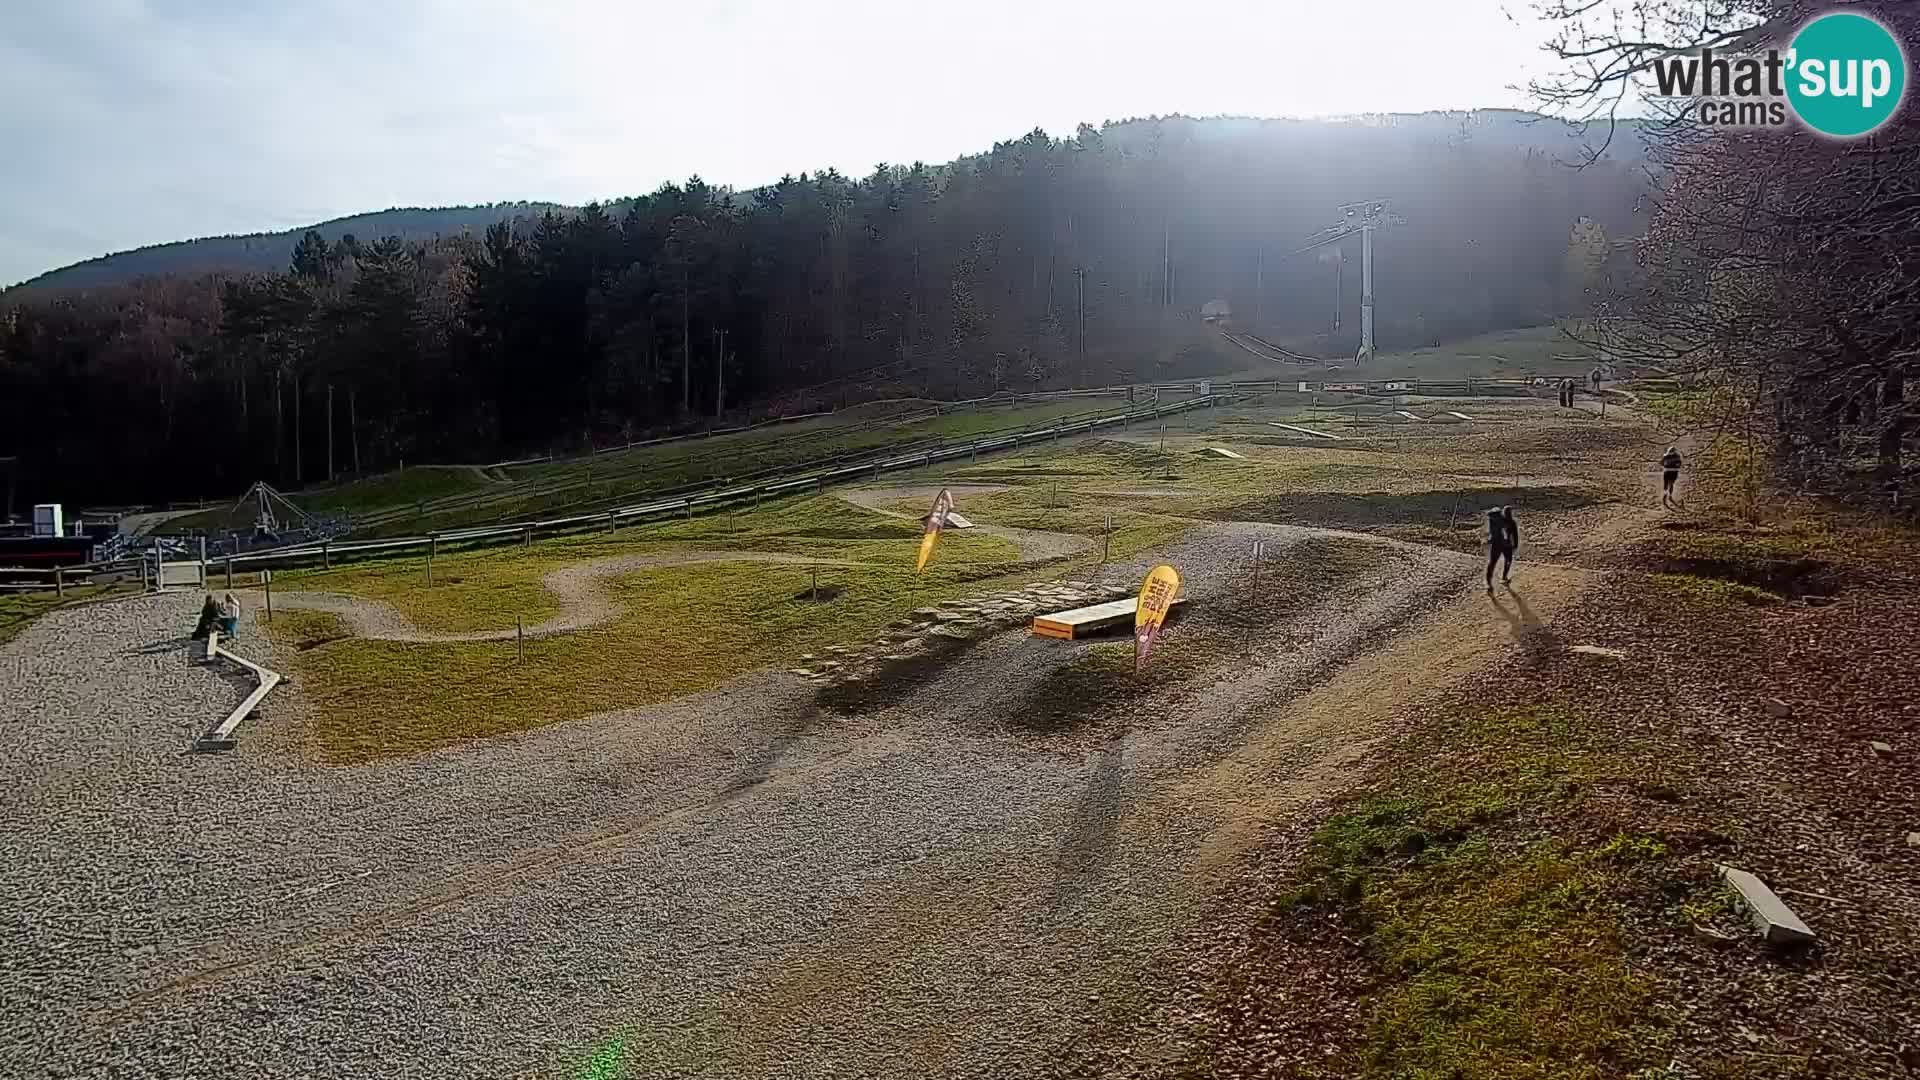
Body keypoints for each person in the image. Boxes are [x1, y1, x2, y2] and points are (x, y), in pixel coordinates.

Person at [1486, 506, 1518, 593]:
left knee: (1505, 561)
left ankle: (1502, 577)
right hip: (1498, 544)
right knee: (1493, 563)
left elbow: (1515, 534)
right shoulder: (1496, 521)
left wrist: (1515, 545)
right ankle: (1489, 582)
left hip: (1505, 545)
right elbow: (1492, 531)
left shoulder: (1510, 522)